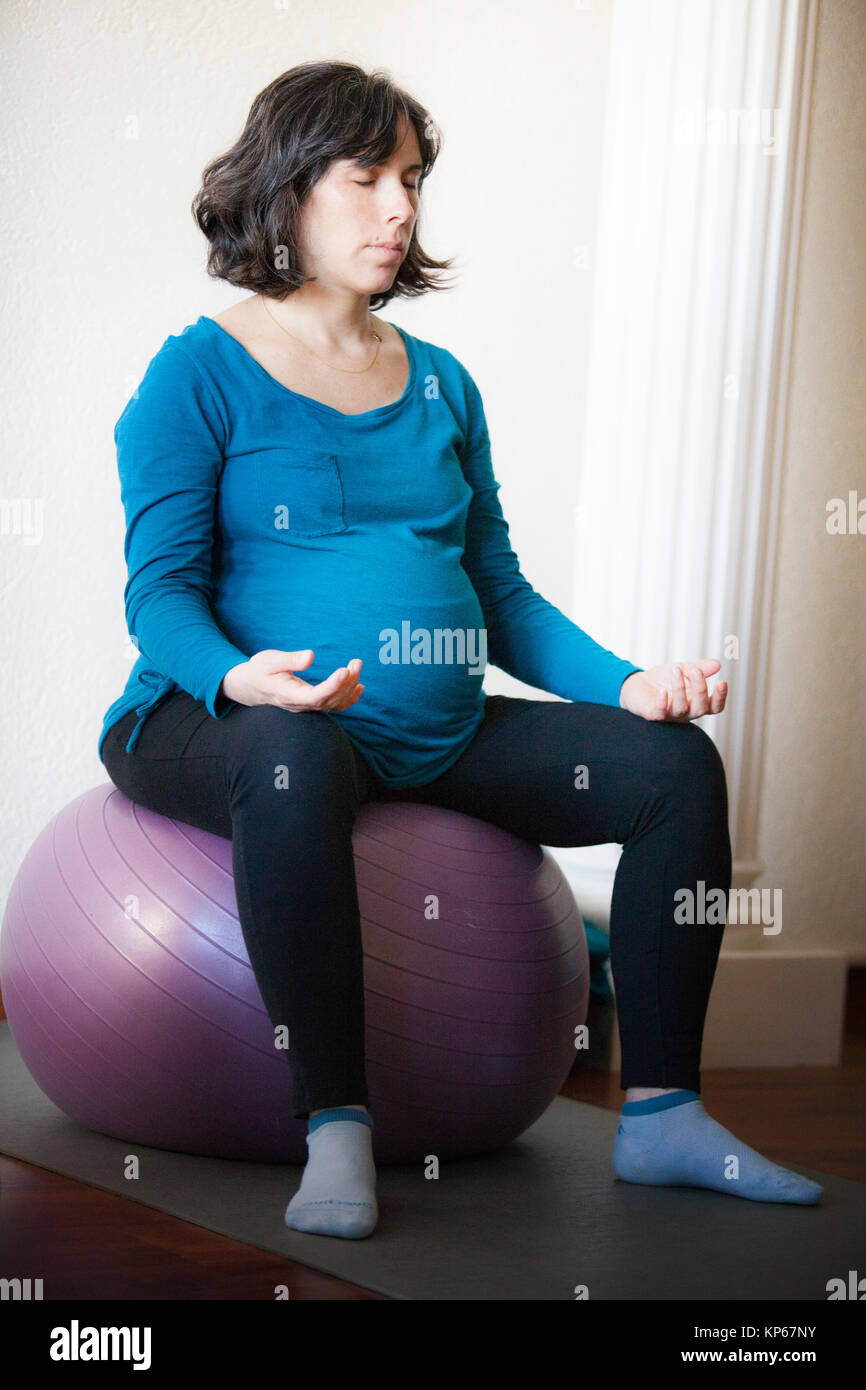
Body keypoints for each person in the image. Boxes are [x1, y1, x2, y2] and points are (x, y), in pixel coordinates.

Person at [98, 60, 822, 1240]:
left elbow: (501, 596)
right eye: (368, 176)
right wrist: (243, 677)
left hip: (426, 729)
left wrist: (631, 683)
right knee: (287, 752)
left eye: (413, 180)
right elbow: (160, 599)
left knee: (673, 768)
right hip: (215, 714)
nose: (401, 208)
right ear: (287, 185)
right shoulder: (193, 375)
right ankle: (335, 1124)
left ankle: (663, 1111)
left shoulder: (440, 384)